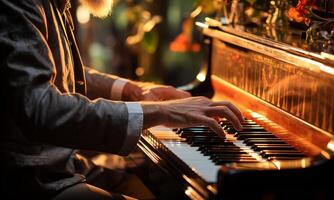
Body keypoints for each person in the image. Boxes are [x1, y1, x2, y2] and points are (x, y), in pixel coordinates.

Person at [0, 0, 244, 199]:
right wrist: (163, 112)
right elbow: (40, 108)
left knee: (154, 187)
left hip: (57, 164)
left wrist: (132, 90)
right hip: (30, 177)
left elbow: (57, 72)